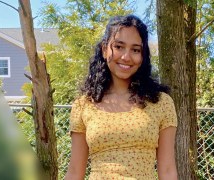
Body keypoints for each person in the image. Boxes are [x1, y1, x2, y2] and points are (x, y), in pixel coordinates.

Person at [65, 14, 178, 180]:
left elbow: (168, 171)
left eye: (135, 50)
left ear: (143, 56)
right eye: (119, 47)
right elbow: (75, 172)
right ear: (105, 49)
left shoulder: (161, 102)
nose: (126, 57)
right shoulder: (84, 105)